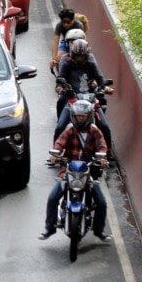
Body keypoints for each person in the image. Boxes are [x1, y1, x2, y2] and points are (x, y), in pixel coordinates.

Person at [40, 101, 111, 242]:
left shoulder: (95, 131)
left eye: (84, 117)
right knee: (53, 198)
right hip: (68, 172)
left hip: (88, 172)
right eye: (78, 117)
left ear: (89, 116)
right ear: (73, 117)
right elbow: (59, 143)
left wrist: (102, 158)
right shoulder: (69, 130)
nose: (81, 119)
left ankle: (99, 230)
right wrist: (55, 155)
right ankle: (49, 228)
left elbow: (102, 146)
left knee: (101, 202)